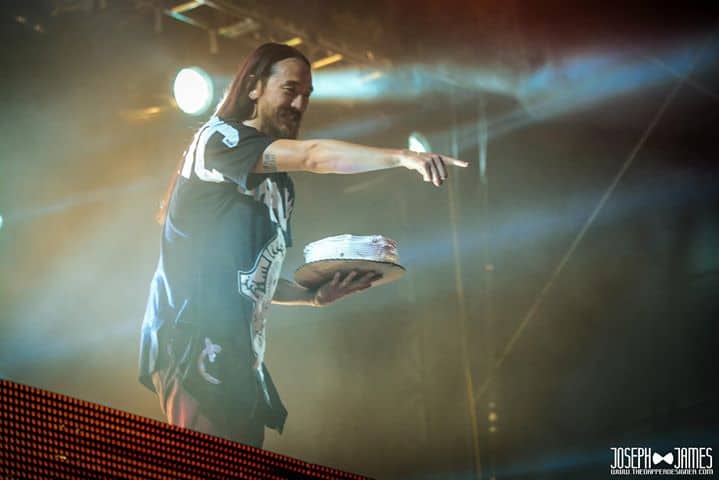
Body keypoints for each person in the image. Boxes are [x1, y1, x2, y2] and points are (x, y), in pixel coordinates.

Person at [138, 43, 468, 448]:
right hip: (193, 340)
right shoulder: (218, 139)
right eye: (290, 90)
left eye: (307, 95)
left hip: (242, 358)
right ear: (254, 86)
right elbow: (314, 156)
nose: (299, 104)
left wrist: (312, 298)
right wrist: (403, 157)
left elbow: (257, 282)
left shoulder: (281, 188)